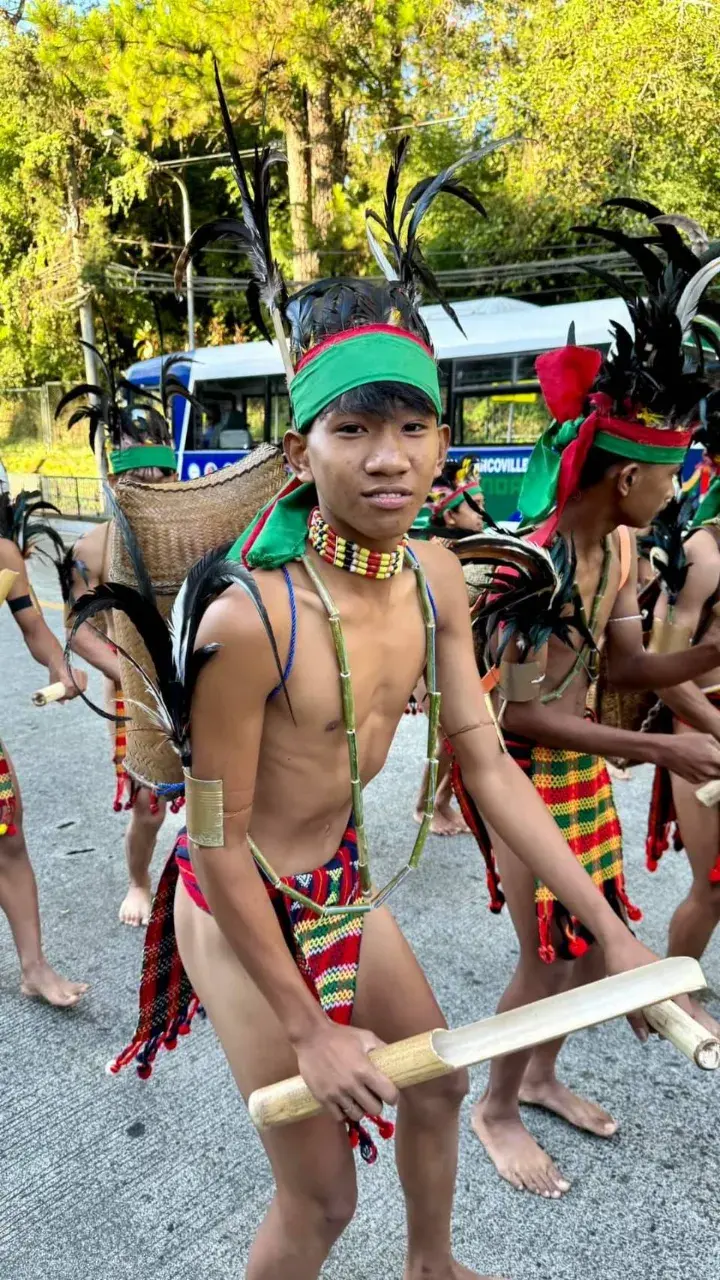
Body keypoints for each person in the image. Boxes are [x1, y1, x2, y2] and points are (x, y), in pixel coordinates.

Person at [76, 99, 683, 1280]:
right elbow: (215, 828)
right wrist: (310, 1022)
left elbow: (489, 758)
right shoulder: (252, 617)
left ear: (445, 442)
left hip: (342, 884)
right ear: (302, 449)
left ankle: (434, 1265)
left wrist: (610, 930)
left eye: (414, 424)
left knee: (442, 1083)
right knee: (319, 1202)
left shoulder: (440, 578)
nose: (390, 455)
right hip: (235, 902)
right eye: (355, 426)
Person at [461, 202, 720, 1199]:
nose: (678, 483)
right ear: (621, 476)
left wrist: (705, 652)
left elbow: (619, 670)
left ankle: (542, 1076)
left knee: (583, 944)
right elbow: (514, 718)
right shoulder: (525, 561)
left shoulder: (614, 546)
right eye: (666, 470)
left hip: (577, 763)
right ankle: (492, 1103)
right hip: (520, 771)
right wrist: (658, 752)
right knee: (545, 955)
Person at [57, 342, 182, 927]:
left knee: (225, 792)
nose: (150, 489)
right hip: (133, 697)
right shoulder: (89, 549)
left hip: (197, 683)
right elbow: (78, 631)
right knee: (150, 807)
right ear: (115, 481)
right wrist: (132, 672)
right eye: (138, 479)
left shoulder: (192, 535)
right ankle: (138, 880)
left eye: (160, 479)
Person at [645, 389, 720, 961]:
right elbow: (665, 671)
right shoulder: (704, 552)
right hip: (703, 726)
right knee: (715, 887)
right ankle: (677, 991)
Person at [0, 530, 88, 1006]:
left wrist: (61, 666)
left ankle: (34, 967)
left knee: (6, 837)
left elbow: (35, 628)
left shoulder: (2, 555)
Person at [412, 459, 486, 835]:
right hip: (425, 657)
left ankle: (443, 798)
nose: (483, 512)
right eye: (476, 506)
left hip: (460, 657)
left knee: (463, 734)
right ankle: (427, 806)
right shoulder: (434, 555)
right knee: (449, 735)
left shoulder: (475, 547)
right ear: (452, 517)